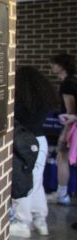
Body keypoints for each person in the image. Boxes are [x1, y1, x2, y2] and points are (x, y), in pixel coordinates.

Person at [9, 66, 57, 238]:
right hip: (41, 142)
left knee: (23, 183)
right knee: (37, 182)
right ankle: (40, 219)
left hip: (24, 142)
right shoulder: (43, 98)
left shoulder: (20, 101)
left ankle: (22, 222)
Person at [50, 53, 77, 205]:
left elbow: (71, 112)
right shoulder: (72, 81)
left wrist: (65, 134)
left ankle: (62, 194)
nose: (52, 67)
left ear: (62, 65)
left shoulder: (67, 84)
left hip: (72, 128)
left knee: (62, 158)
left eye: (54, 64)